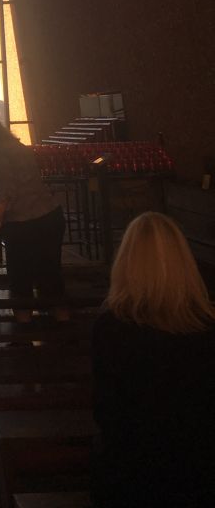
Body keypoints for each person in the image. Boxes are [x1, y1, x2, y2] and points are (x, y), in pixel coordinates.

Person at [91, 212, 215, 507]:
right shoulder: (207, 326)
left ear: (126, 263)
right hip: (202, 471)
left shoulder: (112, 326)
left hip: (132, 473)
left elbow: (107, 410)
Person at [0, 112, 66, 320]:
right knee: (51, 276)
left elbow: (7, 186)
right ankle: (62, 328)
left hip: (23, 223)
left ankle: (23, 332)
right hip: (50, 216)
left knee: (21, 278)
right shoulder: (17, 147)